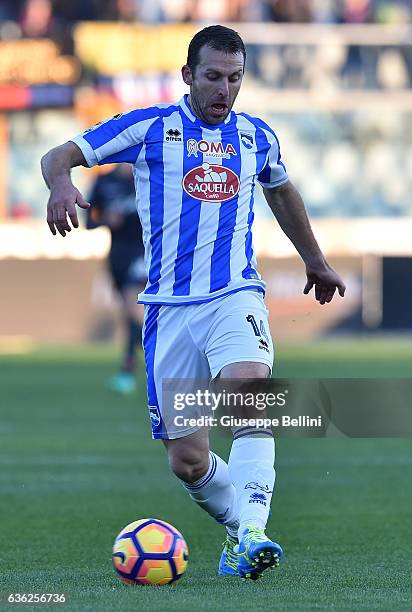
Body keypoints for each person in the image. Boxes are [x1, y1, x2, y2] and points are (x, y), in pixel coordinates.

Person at [41, 25, 346, 580]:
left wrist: (315, 258)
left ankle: (253, 529)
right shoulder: (151, 127)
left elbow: (280, 189)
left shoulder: (257, 136)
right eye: (212, 77)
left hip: (235, 294)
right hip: (167, 308)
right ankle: (239, 534)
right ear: (188, 75)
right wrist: (61, 185)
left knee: (252, 390)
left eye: (234, 79)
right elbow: (59, 154)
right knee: (188, 460)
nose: (223, 90)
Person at [86, 164, 146, 394]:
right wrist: (105, 220)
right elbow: (89, 221)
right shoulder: (104, 182)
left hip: (145, 253)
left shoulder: (147, 175)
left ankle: (128, 370)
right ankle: (140, 363)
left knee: (135, 310)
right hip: (118, 256)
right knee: (130, 315)